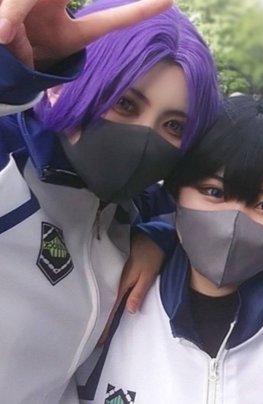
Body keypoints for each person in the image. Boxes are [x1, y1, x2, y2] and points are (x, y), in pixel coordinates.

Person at [0, 0, 222, 402]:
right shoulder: (8, 166)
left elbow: (202, 213)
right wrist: (8, 77)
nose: (144, 140)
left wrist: (159, 236)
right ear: (67, 85)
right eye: (125, 104)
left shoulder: (128, 210)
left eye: (173, 125)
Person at [76, 95, 263, 404]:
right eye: (214, 192)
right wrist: (159, 234)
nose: (232, 223)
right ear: (177, 191)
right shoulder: (104, 283)